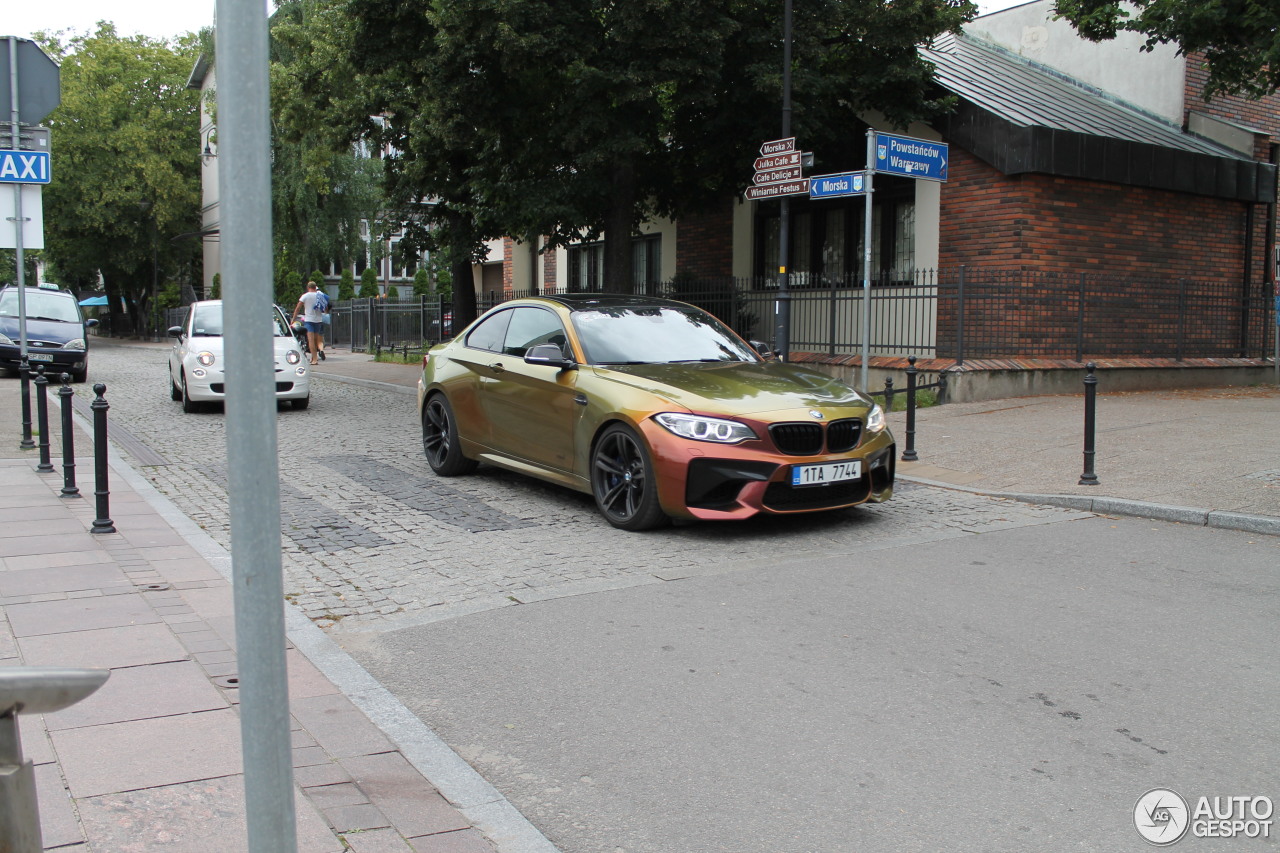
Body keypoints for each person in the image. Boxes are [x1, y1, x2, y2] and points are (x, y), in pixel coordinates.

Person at [291, 279, 326, 364]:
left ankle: (314, 359)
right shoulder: (320, 296)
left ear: (308, 287)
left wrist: (293, 319)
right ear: (315, 287)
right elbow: (325, 309)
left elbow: (298, 308)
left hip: (309, 321)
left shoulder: (305, 296)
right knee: (315, 340)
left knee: (310, 340)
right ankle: (314, 357)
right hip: (318, 320)